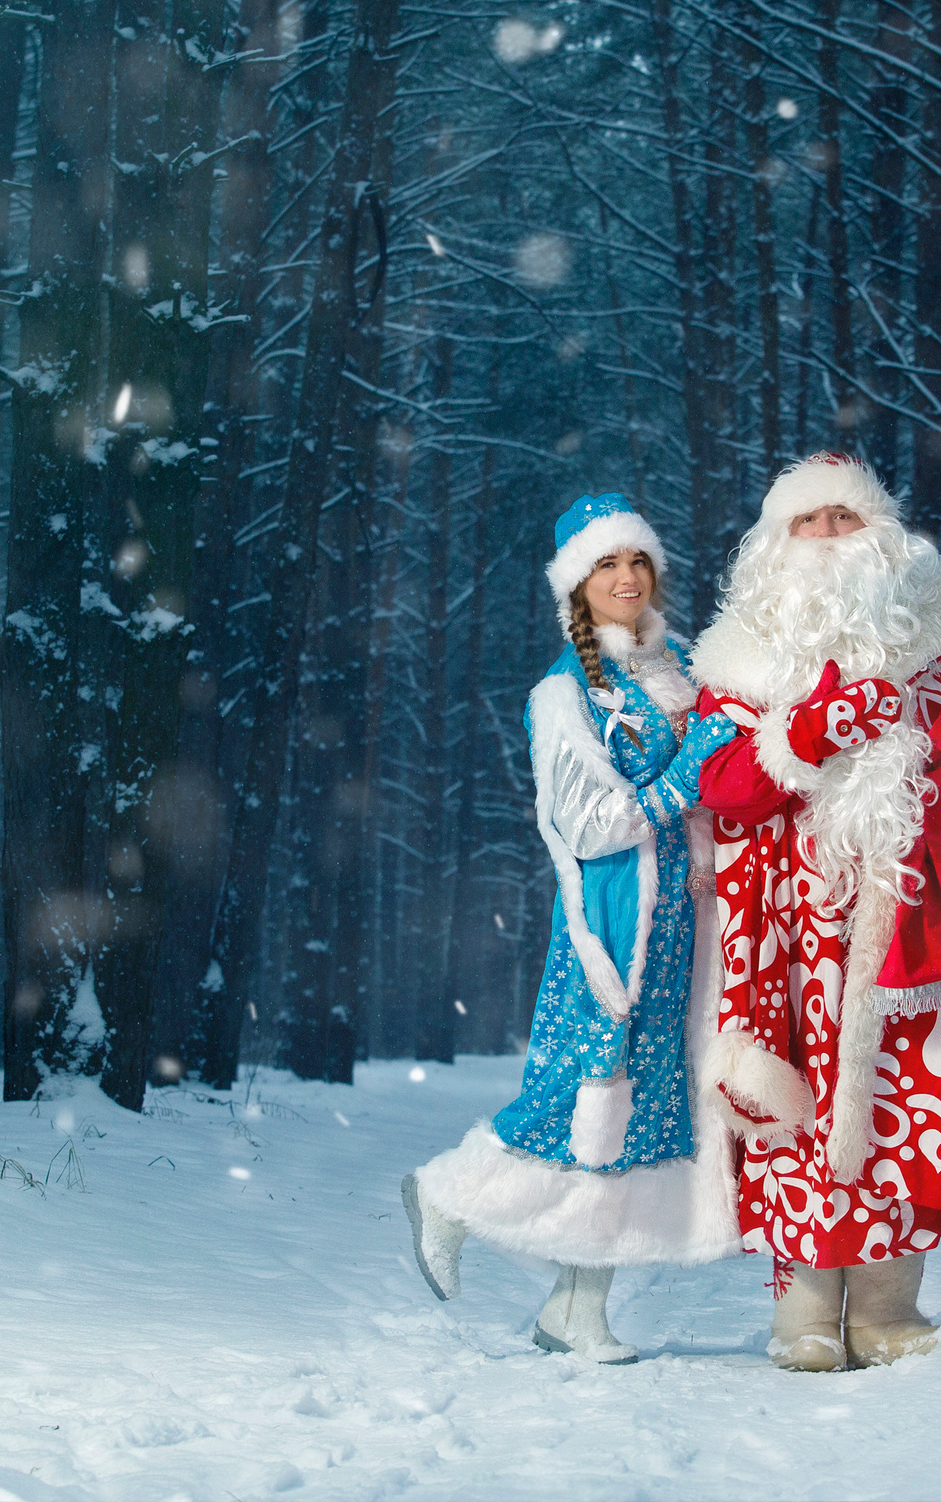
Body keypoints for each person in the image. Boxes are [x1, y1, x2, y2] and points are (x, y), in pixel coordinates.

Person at [687, 452, 941, 1371]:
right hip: (797, 932)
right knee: (798, 1106)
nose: (830, 537)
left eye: (847, 519)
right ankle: (803, 1310)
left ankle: (886, 1312)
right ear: (775, 543)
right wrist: (805, 735)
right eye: (810, 522)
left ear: (884, 532)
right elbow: (717, 782)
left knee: (919, 1103)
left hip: (935, 916)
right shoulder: (740, 656)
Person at [402, 492, 741, 1362]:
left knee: (636, 1118)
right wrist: (693, 769)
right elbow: (595, 826)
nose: (627, 577)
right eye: (606, 565)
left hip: (684, 932)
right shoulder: (563, 693)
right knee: (574, 1096)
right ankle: (451, 1194)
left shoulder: (683, 667)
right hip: (614, 934)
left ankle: (574, 1310)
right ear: (576, 586)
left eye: (637, 561)